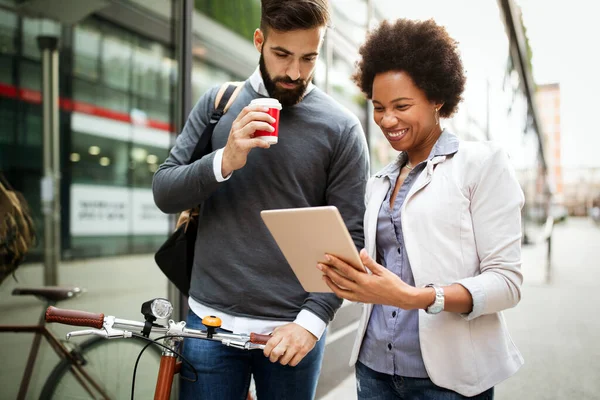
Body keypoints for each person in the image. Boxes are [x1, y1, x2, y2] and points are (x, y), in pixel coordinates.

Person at [152, 1, 369, 399]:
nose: (294, 72)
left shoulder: (341, 129)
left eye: (308, 58)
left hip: (292, 332)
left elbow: (351, 239)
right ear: (259, 41)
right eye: (282, 54)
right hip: (208, 325)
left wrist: (312, 322)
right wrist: (225, 159)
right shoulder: (218, 105)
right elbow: (164, 191)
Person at [318, 18, 524, 399]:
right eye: (379, 107)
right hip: (374, 369)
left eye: (401, 105)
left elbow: (507, 283)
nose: (387, 120)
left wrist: (419, 297)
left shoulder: (481, 164)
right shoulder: (379, 182)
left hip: (448, 379)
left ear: (436, 98)